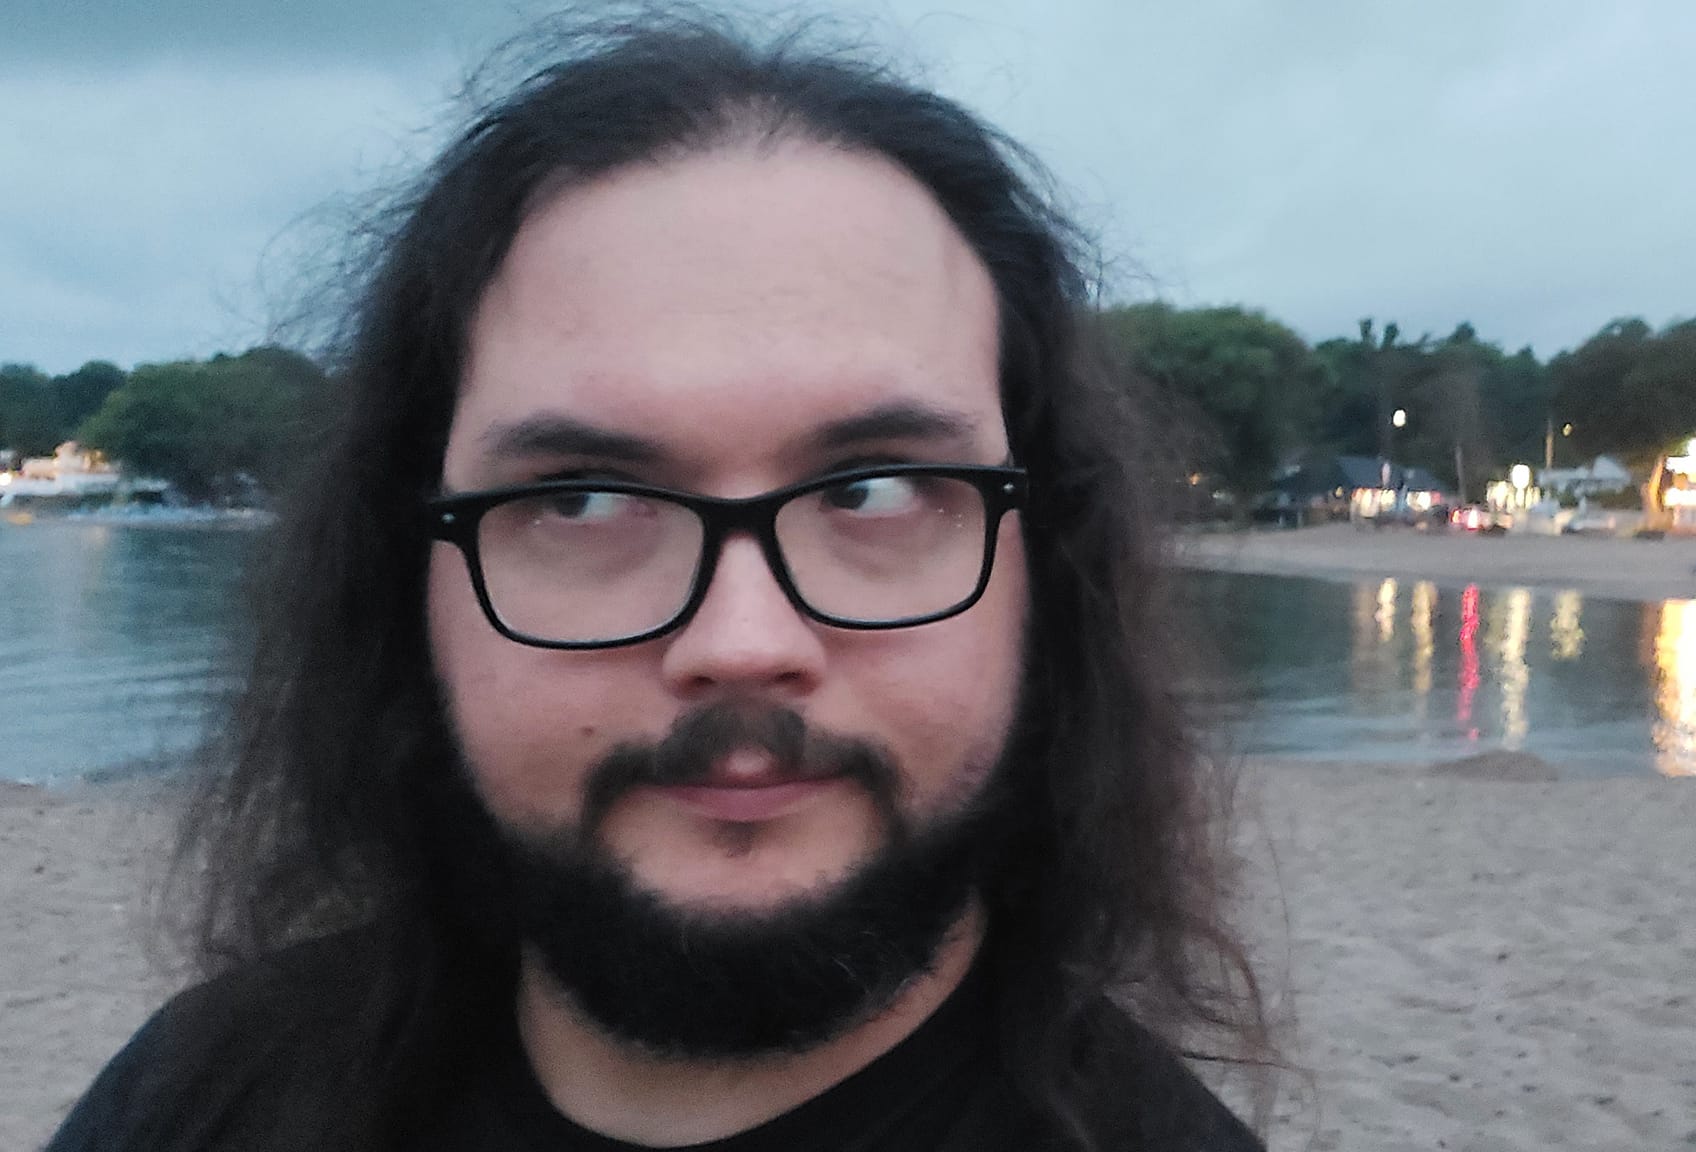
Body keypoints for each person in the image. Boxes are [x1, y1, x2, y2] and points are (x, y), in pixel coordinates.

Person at [48, 12, 1274, 1152]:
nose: (742, 643)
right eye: (580, 500)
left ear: (1042, 579)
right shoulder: (197, 1100)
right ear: (403, 580)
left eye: (875, 490)